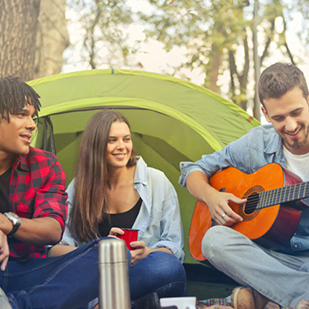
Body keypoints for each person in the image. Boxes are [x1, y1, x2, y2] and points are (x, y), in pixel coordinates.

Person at [179, 62, 309, 309]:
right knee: (213, 240)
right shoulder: (256, 144)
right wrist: (212, 197)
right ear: (265, 113)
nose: (290, 126)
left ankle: (270, 298)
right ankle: (293, 296)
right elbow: (191, 171)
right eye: (279, 118)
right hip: (269, 260)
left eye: (296, 112)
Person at [48, 109, 186, 309]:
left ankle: (104, 304)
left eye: (126, 139)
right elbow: (55, 249)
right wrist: (99, 250)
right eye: (112, 140)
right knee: (56, 279)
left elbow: (174, 248)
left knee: (167, 267)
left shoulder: (157, 181)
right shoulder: (80, 187)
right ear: (95, 145)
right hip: (100, 275)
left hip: (144, 275)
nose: (122, 147)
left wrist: (146, 253)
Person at [0, 75, 113, 309]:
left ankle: (18, 305)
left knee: (107, 253)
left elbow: (52, 229)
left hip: (28, 270)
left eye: (33, 116)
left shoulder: (45, 164)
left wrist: (6, 223)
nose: (32, 124)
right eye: (22, 114)